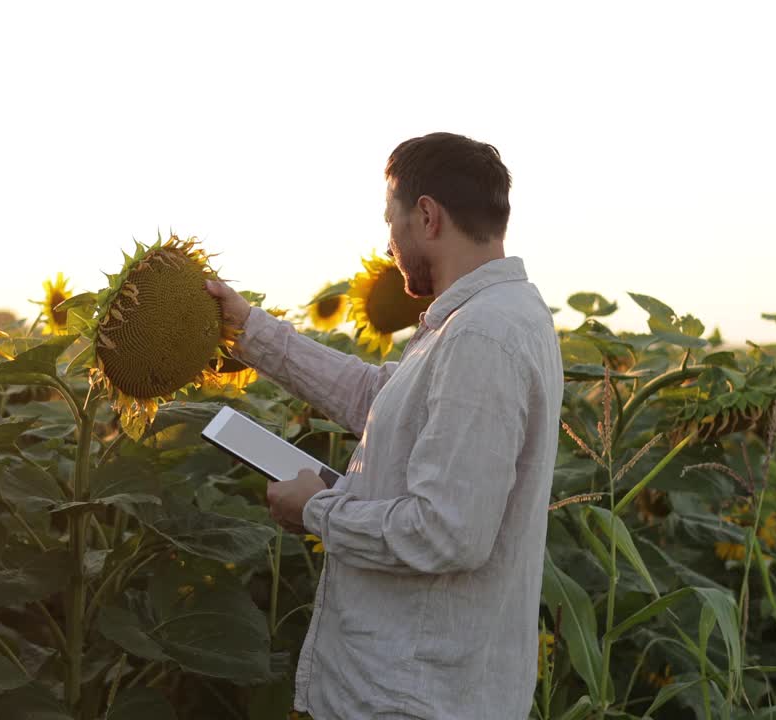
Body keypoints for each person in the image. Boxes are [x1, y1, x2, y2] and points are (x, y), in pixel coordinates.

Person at [205, 132, 563, 720]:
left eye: (391, 221)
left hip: (412, 696)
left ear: (427, 216)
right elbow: (383, 399)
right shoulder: (493, 317)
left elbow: (446, 532)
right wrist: (250, 332)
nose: (389, 243)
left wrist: (316, 509)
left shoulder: (481, 336)